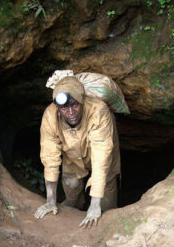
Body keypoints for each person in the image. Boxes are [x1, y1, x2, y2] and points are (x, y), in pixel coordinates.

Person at [34, 75, 121, 228]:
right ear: (57, 107)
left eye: (75, 105)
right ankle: (75, 207)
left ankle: (105, 219)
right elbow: (50, 157)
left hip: (104, 159)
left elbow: (101, 159)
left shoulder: (98, 111)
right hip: (73, 159)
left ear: (82, 101)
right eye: (64, 108)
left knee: (106, 198)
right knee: (71, 186)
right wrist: (50, 201)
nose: (70, 112)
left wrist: (95, 205)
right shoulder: (50, 116)